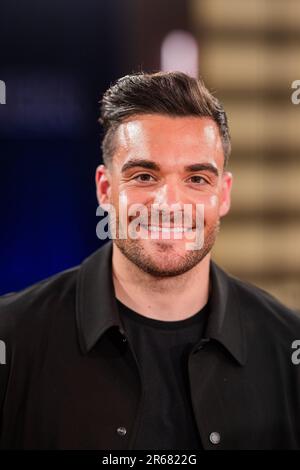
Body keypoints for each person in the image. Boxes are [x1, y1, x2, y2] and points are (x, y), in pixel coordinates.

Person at [0, 71, 299, 450]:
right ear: (105, 189)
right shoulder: (11, 339)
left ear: (223, 195)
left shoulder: (289, 347)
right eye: (144, 176)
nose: (169, 205)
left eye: (196, 180)